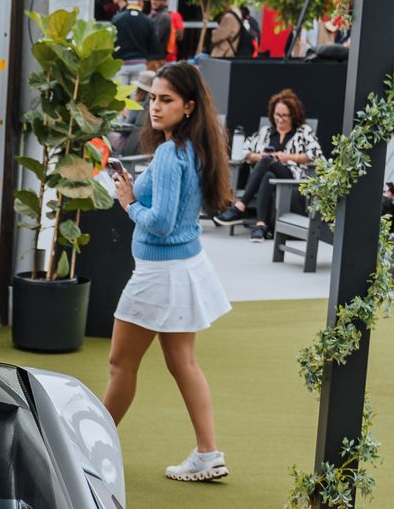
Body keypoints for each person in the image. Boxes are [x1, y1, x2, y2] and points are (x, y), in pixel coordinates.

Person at [101, 62, 236, 481]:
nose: (155, 107)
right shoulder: (190, 149)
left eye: (166, 100)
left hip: (161, 274)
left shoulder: (170, 152)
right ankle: (208, 453)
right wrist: (131, 186)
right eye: (154, 98)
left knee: (121, 364)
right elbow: (169, 210)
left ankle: (87, 452)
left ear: (189, 106)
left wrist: (127, 202)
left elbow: (159, 221)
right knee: (183, 364)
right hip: (182, 267)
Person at [230, 87, 312, 224]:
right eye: (277, 115)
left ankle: (241, 204)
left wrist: (288, 157)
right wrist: (257, 156)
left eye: (284, 115)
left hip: (291, 176)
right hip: (268, 175)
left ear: (293, 115)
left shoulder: (303, 132)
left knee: (267, 161)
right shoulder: (265, 132)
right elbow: (243, 151)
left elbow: (315, 155)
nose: (280, 119)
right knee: (268, 174)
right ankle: (261, 224)